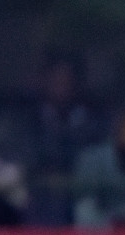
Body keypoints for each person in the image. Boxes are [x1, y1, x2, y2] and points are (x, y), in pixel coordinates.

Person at [25, 55, 103, 226]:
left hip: (79, 198)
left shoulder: (90, 120)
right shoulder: (29, 120)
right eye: (57, 80)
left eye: (67, 81)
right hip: (42, 202)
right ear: (46, 81)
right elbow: (26, 160)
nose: (62, 86)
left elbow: (93, 158)